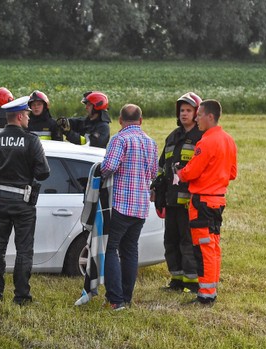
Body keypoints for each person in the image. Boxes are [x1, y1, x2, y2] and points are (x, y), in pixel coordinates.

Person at [0, 96, 50, 304]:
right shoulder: (31, 140)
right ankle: (21, 296)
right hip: (23, 202)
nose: (29, 118)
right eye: (27, 115)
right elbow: (44, 173)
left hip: (0, 199)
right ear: (19, 116)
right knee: (24, 250)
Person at [176, 99, 238, 306]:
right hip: (218, 201)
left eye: (199, 114)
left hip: (202, 202)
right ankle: (210, 289)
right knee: (213, 247)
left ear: (210, 117)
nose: (196, 118)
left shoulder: (206, 141)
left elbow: (191, 171)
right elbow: (232, 173)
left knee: (203, 249)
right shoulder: (228, 139)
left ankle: (206, 294)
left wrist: (180, 172)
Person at [99, 104, 158, 310]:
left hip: (121, 204)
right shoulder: (151, 142)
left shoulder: (119, 139)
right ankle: (127, 296)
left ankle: (115, 299)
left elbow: (109, 167)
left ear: (120, 120)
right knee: (130, 251)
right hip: (141, 205)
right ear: (140, 120)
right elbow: (153, 173)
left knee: (111, 248)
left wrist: (100, 171)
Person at [153, 92, 204, 292]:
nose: (184, 114)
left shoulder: (201, 137)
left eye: (188, 110)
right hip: (171, 199)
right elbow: (162, 166)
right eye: (182, 110)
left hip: (190, 201)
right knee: (170, 241)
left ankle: (192, 282)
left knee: (188, 241)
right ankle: (176, 280)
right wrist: (158, 188)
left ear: (196, 113)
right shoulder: (172, 136)